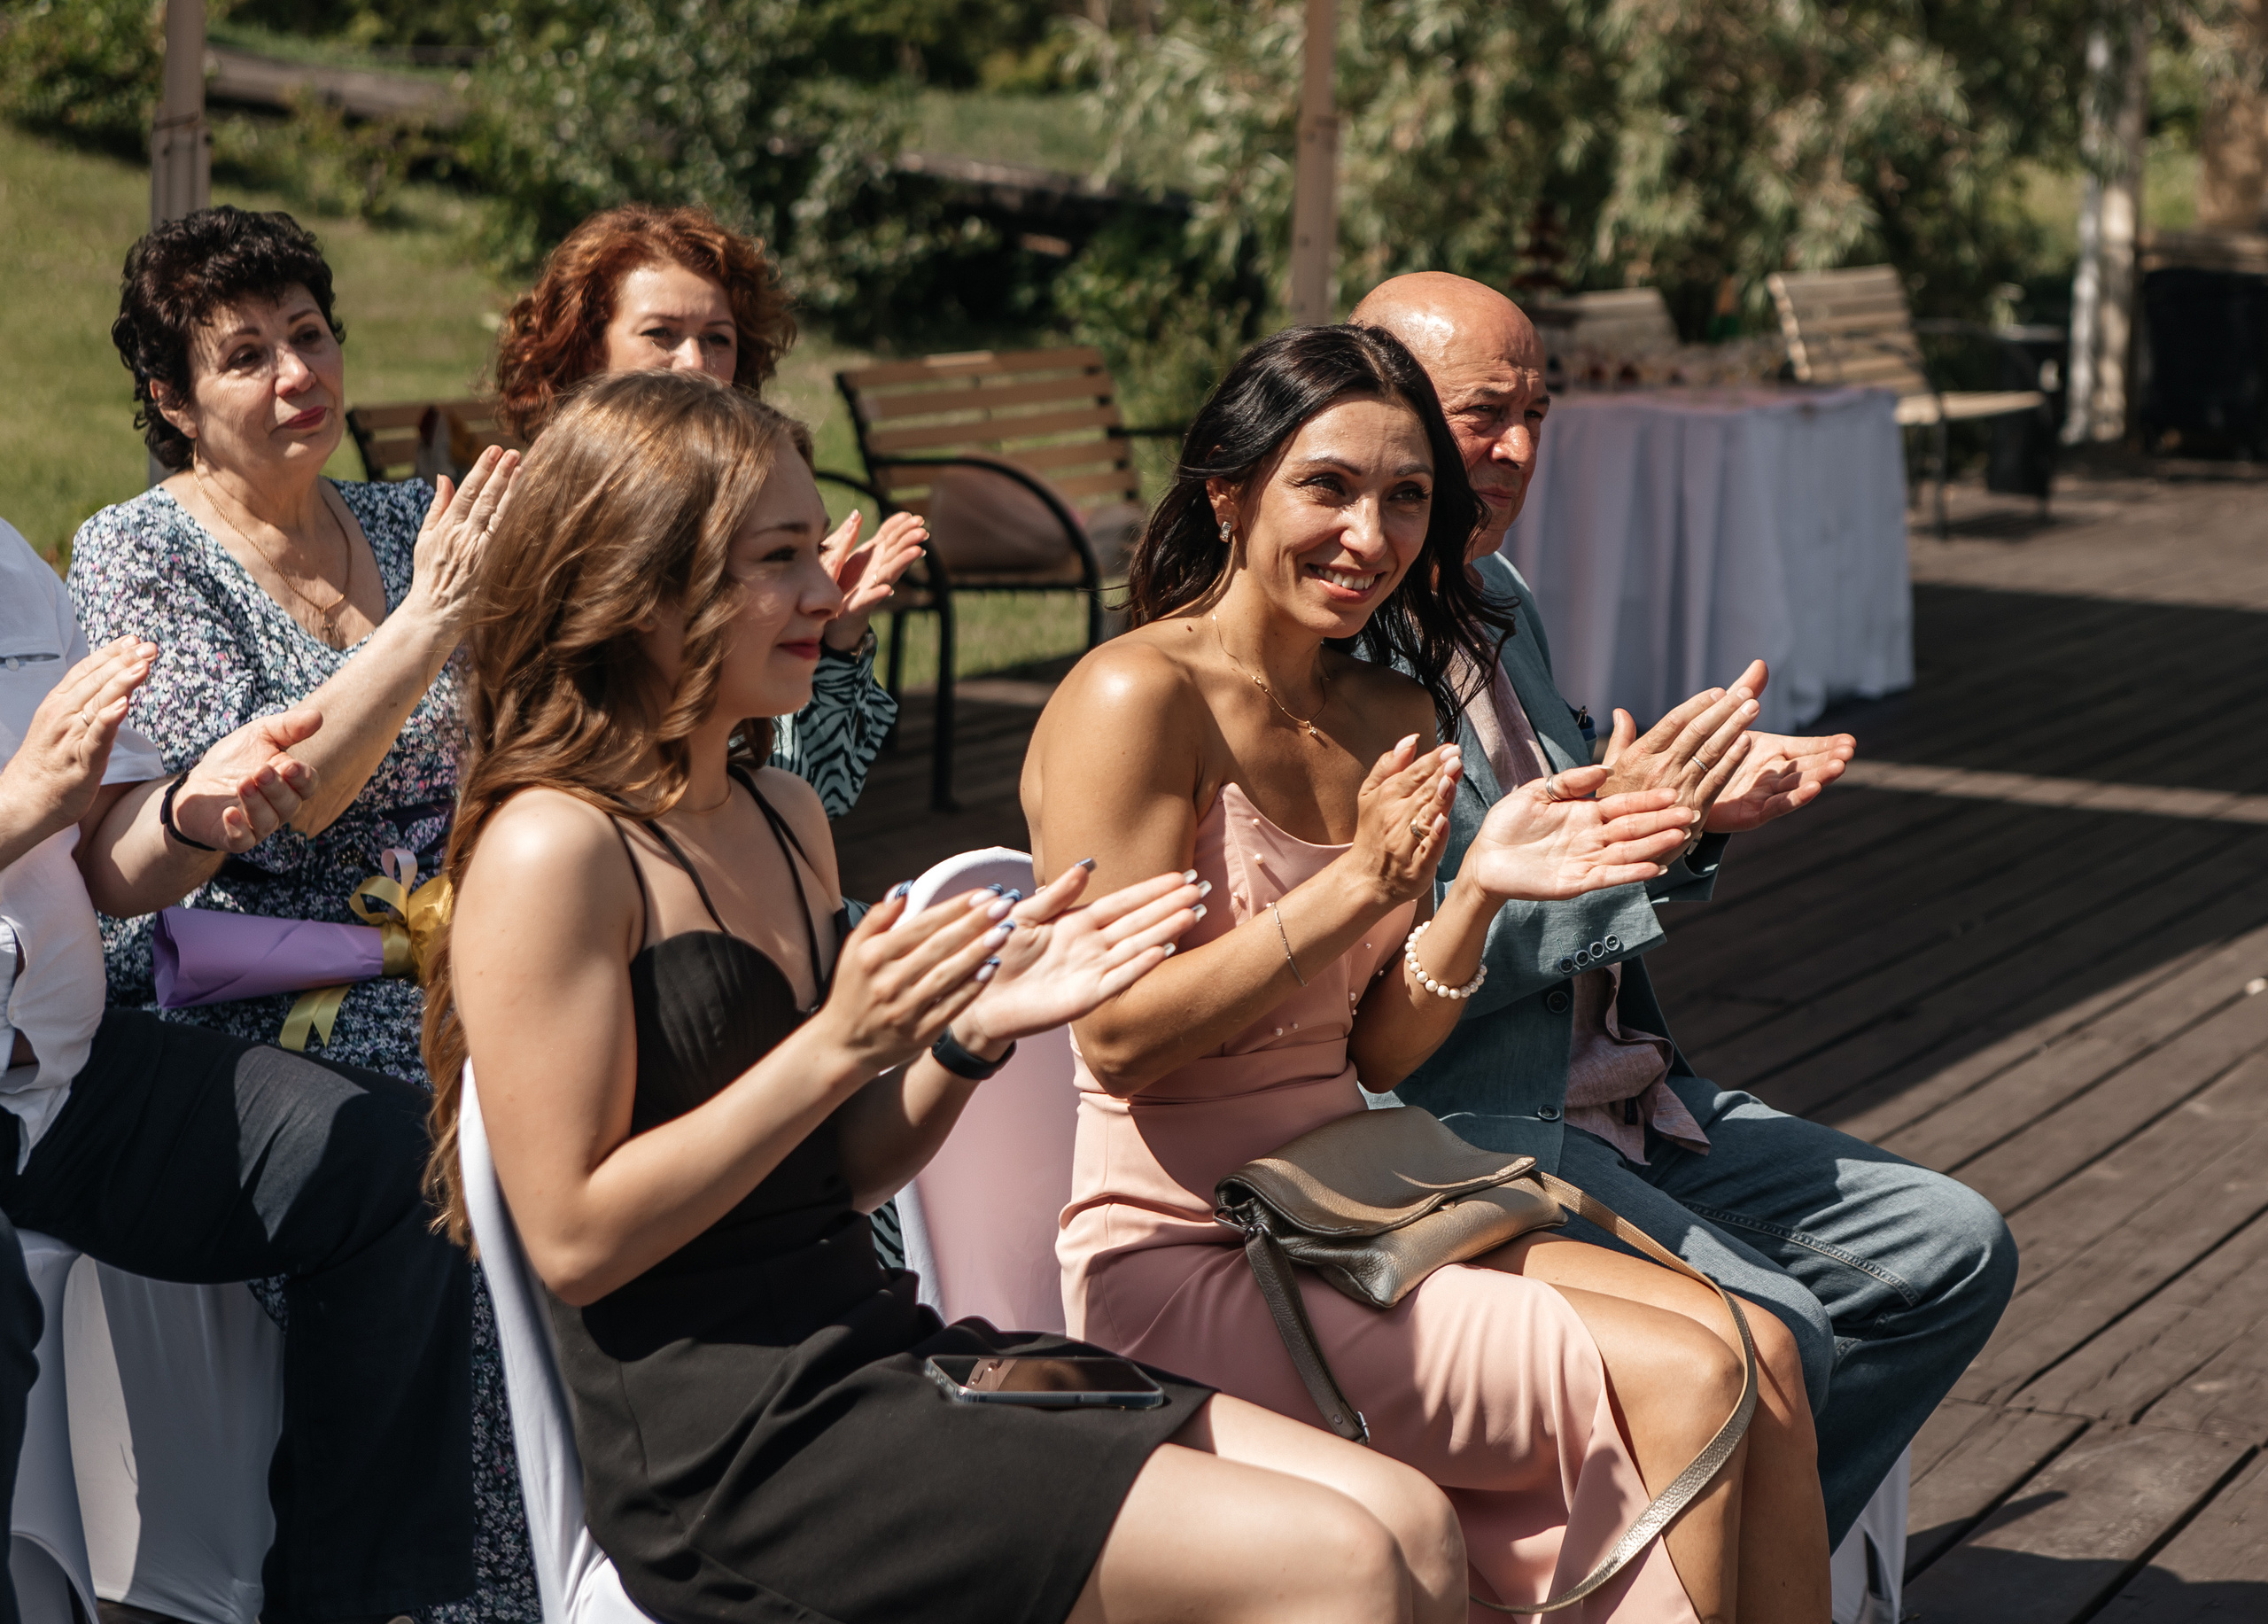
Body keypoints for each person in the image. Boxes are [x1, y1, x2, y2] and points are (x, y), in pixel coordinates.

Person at [421, 366, 1472, 1624]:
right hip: (735, 1452)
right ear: (642, 585)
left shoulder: (781, 809)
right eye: (779, 559)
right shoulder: (554, 848)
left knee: (1412, 1521)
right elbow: (578, 1242)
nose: (828, 593)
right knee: (1338, 1561)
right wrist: (835, 1044)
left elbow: (846, 1178)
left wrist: (969, 1035)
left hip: (882, 1356)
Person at [1031, 322, 1828, 1620]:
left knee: (1765, 1352)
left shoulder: (1389, 711)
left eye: (1406, 497)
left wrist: (1480, 890)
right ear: (1228, 493)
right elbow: (1115, 1040)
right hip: (1188, 1241)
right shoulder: (1134, 696)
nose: (1371, 534)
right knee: (1691, 1382)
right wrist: (1357, 886)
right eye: (1328, 487)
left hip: (1354, 1193)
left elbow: (1372, 1051)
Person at [1349, 271, 2017, 1548]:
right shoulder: (1345, 647)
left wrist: (1691, 815)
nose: (1520, 450)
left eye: (1538, 415)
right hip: (1468, 1119)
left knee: (1954, 1245)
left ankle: (1714, 1560)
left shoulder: (1500, 599)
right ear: (1380, 407)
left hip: (1627, 1092)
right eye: (1485, 414)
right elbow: (1400, 972)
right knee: (1781, 1332)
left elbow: (1577, 834)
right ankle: (1705, 1572)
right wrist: (1629, 837)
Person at [69, 204, 537, 1624]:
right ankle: (446, 1599)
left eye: (311, 335)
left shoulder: (403, 521)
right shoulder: (141, 552)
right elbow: (293, 797)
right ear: (173, 400)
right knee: (468, 1145)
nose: (297, 375)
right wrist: (429, 622)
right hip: (270, 982)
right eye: (246, 355)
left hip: (465, 941)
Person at [0, 513, 478, 1624]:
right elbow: (35, 802)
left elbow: (108, 860)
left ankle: (350, 1602)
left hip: (65, 1080)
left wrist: (191, 815)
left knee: (397, 1167)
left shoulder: (10, 570)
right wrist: (19, 803)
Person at [490, 202, 923, 819]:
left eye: (718, 339)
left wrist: (833, 642)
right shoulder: (538, 524)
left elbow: (804, 801)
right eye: (661, 334)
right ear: (586, 350)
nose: (696, 363)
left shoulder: (752, 500)